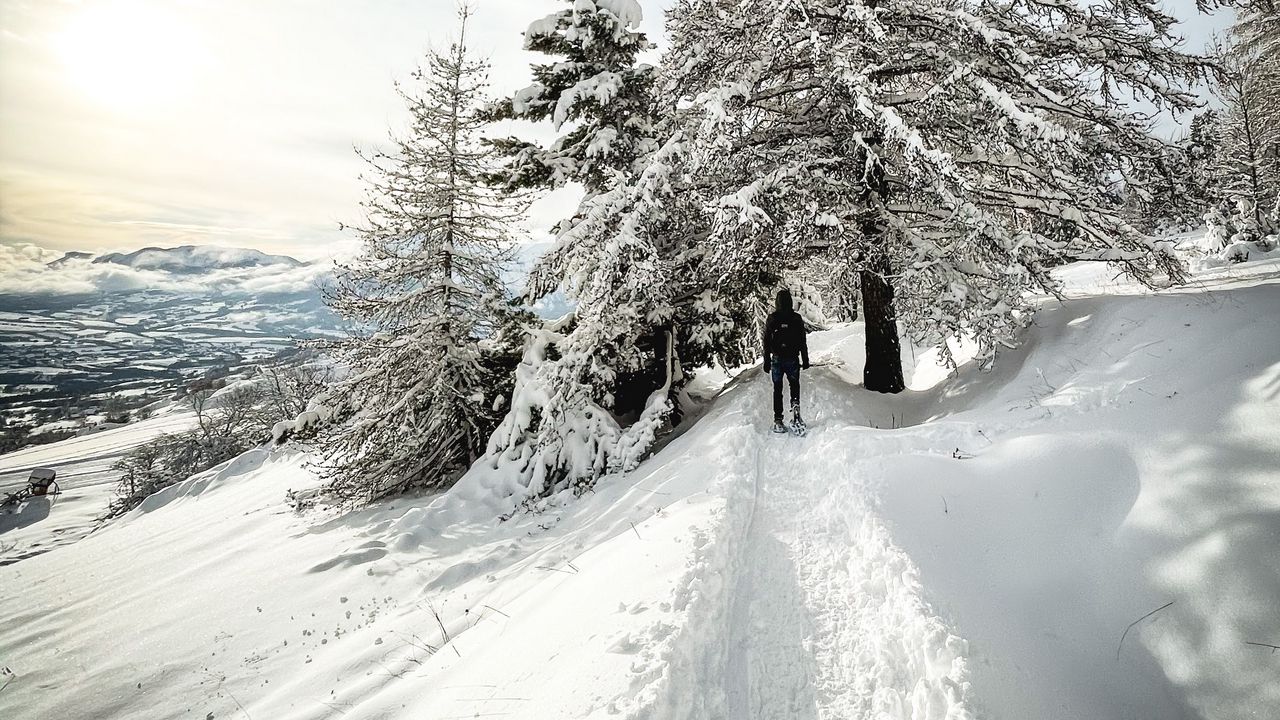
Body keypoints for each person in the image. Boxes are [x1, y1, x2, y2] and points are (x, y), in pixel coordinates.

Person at [763, 289, 809, 433]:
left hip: (777, 359)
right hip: (792, 358)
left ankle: (778, 419)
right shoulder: (796, 318)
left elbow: (766, 341)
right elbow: (802, 340)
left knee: (778, 389)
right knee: (794, 385)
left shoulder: (772, 318)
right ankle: (795, 408)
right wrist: (805, 358)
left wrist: (766, 360)